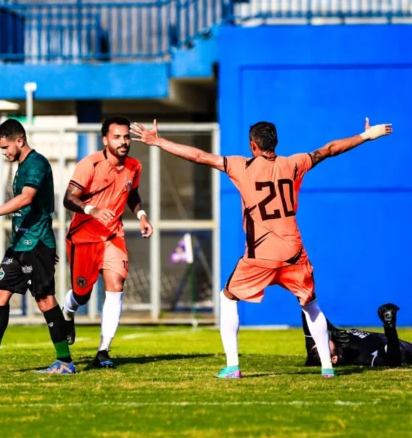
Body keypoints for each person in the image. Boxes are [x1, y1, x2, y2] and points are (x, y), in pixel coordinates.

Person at [132, 117, 392, 379]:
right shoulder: (294, 163)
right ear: (275, 143)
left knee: (227, 297)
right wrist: (366, 136)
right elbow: (330, 149)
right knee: (311, 305)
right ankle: (327, 367)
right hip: (293, 253)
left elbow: (199, 156)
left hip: (260, 255)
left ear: (253, 145)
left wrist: (158, 141)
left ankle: (233, 366)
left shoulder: (241, 166)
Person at [0, 119, 74, 374]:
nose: (4, 152)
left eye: (5, 147)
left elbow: (27, 198)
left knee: (44, 300)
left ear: (19, 141)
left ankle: (65, 362)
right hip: (19, 245)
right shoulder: (20, 166)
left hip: (37, 243)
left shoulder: (36, 163)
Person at [61, 116, 153, 369]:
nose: (123, 142)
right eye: (117, 137)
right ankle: (67, 311)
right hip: (83, 238)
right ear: (105, 140)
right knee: (82, 295)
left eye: (126, 137)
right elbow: (68, 198)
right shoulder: (89, 164)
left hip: (113, 237)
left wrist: (142, 215)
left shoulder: (134, 166)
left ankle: (103, 351)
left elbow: (132, 193)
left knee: (116, 285)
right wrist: (92, 210)